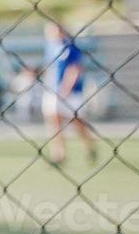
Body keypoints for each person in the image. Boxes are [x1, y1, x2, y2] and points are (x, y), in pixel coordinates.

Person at [41, 21, 99, 166]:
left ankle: (90, 144)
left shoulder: (70, 47)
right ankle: (59, 154)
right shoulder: (50, 47)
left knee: (76, 121)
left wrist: (66, 89)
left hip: (70, 93)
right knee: (54, 120)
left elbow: (75, 69)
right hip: (53, 91)